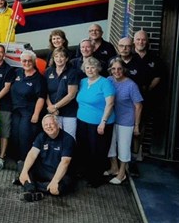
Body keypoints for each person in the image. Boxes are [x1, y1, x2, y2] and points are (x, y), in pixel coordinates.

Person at [76, 57, 115, 187]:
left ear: (98, 68)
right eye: (87, 67)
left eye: (93, 67)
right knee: (84, 149)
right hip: (82, 121)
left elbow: (110, 104)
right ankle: (86, 174)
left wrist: (103, 122)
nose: (90, 70)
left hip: (99, 123)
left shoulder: (105, 83)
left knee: (97, 151)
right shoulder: (82, 81)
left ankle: (95, 179)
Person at [17, 114, 75, 201]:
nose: (49, 127)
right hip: (43, 169)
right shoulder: (41, 136)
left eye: (51, 124)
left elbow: (65, 162)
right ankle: (31, 190)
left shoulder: (68, 139)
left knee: (59, 188)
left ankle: (29, 185)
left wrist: (55, 181)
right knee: (22, 164)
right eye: (46, 125)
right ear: (43, 127)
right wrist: (24, 171)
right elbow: (32, 154)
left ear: (57, 124)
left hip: (58, 173)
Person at [106, 58, 144, 185]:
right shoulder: (109, 81)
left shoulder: (131, 85)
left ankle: (122, 173)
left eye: (119, 68)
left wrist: (136, 125)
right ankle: (114, 168)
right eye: (113, 69)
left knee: (123, 147)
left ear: (124, 70)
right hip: (112, 119)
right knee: (110, 144)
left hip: (126, 121)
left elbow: (138, 106)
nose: (116, 71)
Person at [10, 50, 47, 164]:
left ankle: (25, 160)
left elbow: (41, 97)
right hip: (16, 110)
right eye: (24, 61)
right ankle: (15, 158)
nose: (27, 63)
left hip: (28, 111)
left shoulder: (38, 78)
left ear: (34, 61)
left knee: (25, 135)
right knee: (15, 134)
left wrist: (36, 114)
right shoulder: (18, 72)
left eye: (29, 61)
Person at [133, 29, 163, 162]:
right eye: (138, 39)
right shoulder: (129, 55)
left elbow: (158, 76)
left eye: (143, 39)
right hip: (126, 99)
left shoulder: (154, 58)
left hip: (145, 98)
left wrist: (149, 88)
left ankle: (137, 151)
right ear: (134, 41)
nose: (141, 42)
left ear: (147, 41)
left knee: (140, 125)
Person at [45, 47, 79, 138]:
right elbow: (45, 92)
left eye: (62, 56)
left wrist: (55, 106)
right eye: (56, 56)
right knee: (54, 136)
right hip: (53, 112)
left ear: (66, 58)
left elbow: (71, 95)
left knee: (69, 137)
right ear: (53, 58)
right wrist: (50, 107)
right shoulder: (48, 71)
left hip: (69, 113)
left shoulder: (72, 72)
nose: (59, 59)